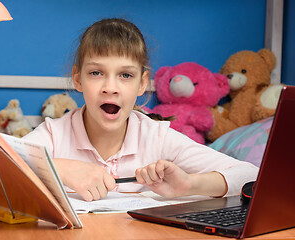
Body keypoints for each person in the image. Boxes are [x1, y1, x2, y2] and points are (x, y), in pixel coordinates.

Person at [24, 18, 258, 202]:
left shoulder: (157, 136)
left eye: (126, 75)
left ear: (142, 83)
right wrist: (59, 168)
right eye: (96, 73)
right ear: (78, 79)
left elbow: (251, 176)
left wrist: (188, 184)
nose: (110, 88)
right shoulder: (54, 134)